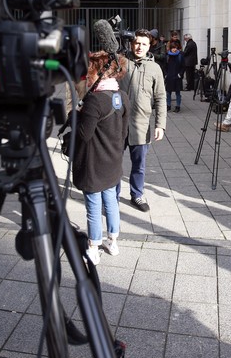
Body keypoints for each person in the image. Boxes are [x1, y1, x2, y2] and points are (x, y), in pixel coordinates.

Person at [73, 52, 130, 265]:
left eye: (92, 70)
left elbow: (83, 135)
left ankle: (94, 247)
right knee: (112, 202)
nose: (88, 74)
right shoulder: (121, 96)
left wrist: (76, 116)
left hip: (94, 164)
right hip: (113, 162)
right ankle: (113, 242)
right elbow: (124, 133)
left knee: (94, 206)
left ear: (102, 72)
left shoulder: (95, 101)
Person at [117, 29, 167, 213]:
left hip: (141, 124)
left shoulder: (155, 68)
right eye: (137, 43)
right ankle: (112, 195)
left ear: (149, 45)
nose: (139, 47)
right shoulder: (120, 61)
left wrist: (160, 125)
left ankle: (137, 194)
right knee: (115, 162)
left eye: (144, 44)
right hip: (118, 123)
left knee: (139, 165)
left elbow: (161, 97)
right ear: (132, 43)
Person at [165, 37, 184, 112]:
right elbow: (165, 66)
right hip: (169, 76)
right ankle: (168, 105)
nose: (174, 49)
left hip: (177, 77)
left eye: (176, 48)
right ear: (170, 48)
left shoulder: (180, 56)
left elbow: (183, 66)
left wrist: (180, 74)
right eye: (173, 48)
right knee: (168, 92)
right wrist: (166, 74)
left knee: (178, 92)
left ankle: (178, 106)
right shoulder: (167, 56)